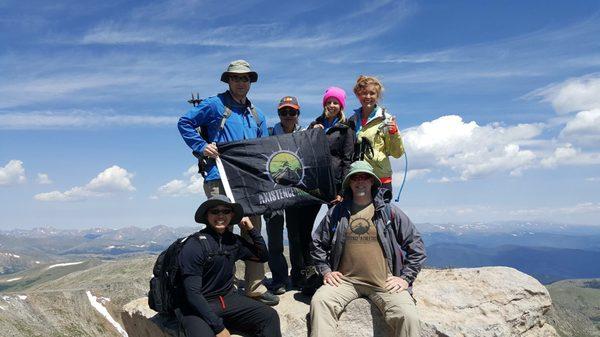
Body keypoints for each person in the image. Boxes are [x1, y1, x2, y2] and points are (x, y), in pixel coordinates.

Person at [177, 60, 278, 305]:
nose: (241, 82)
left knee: (252, 230)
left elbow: (262, 149)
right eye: (236, 78)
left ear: (250, 82)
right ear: (228, 80)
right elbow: (185, 123)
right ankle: (222, 286)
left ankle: (254, 286)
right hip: (218, 178)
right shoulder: (214, 105)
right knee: (220, 232)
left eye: (245, 78)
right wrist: (202, 146)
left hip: (248, 183)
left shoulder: (257, 114)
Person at [309, 161, 426, 337]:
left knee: (408, 316)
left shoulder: (388, 211)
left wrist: (405, 278)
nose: (359, 181)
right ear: (349, 183)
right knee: (320, 302)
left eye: (364, 177)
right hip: (345, 282)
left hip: (384, 283)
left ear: (372, 181)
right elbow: (317, 243)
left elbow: (416, 246)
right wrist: (326, 271)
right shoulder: (336, 212)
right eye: (354, 177)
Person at [178, 195, 282, 337]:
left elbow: (262, 256)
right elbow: (193, 294)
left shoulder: (233, 242)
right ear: (207, 216)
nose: (221, 215)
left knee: (269, 316)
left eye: (226, 211)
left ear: (232, 215)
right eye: (215, 211)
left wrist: (251, 230)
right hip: (197, 307)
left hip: (227, 299)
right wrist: (219, 327)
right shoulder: (194, 245)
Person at [265, 96, 322, 295]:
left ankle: (300, 273)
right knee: (275, 235)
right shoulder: (268, 134)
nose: (288, 116)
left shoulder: (307, 134)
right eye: (284, 112)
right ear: (279, 113)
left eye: (292, 112)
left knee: (298, 233)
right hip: (274, 191)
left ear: (298, 114)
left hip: (299, 192)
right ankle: (281, 278)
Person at [350, 75, 405, 192]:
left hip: (381, 178)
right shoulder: (352, 120)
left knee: (381, 210)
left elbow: (397, 153)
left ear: (378, 96)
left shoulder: (387, 120)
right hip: (358, 177)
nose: (368, 96)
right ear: (358, 95)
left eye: (372, 93)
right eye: (364, 93)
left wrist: (394, 132)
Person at [308, 86, 356, 204]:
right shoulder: (314, 124)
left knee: (336, 219)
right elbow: (305, 149)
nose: (331, 105)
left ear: (341, 106)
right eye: (328, 102)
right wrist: (311, 132)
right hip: (314, 182)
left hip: (335, 182)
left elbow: (347, 160)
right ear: (324, 104)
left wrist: (343, 191)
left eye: (335, 102)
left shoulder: (346, 128)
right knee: (305, 221)